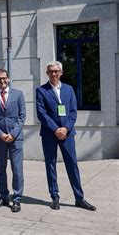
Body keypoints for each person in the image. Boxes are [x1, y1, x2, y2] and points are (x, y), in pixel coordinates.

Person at [36, 61, 96, 211]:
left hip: (67, 134)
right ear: (47, 73)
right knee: (51, 165)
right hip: (50, 134)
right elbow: (41, 113)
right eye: (50, 71)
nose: (53, 74)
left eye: (56, 71)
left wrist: (66, 128)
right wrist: (56, 129)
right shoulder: (41, 90)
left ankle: (79, 198)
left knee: (72, 164)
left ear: (61, 73)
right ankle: (54, 197)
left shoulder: (69, 89)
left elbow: (73, 112)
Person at [0, 69, 26, 213]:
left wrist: (13, 133)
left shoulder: (18, 94)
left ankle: (16, 199)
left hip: (15, 138)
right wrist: (1, 134)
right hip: (0, 138)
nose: (2, 81)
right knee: (1, 169)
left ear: (8, 79)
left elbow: (22, 116)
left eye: (4, 78)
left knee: (17, 169)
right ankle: (3, 196)